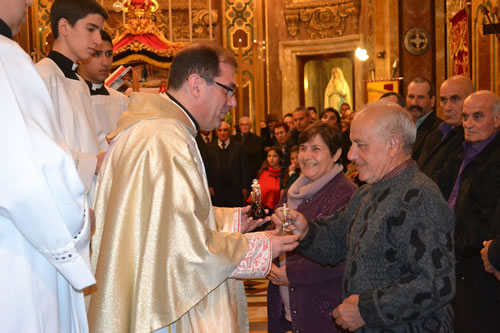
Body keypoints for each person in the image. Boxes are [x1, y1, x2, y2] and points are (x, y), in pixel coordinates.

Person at [87, 44, 300, 333]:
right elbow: (185, 251)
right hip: (158, 310)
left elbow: (160, 220)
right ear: (197, 85)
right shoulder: (166, 140)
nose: (233, 102)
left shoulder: (154, 130)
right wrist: (263, 246)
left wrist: (231, 220)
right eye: (228, 89)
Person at [273, 102, 455, 332]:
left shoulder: (419, 196)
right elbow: (337, 238)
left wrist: (366, 309)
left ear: (393, 145)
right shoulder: (368, 192)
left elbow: (435, 283)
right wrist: (306, 231)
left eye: (360, 145)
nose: (351, 155)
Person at [0, 1, 95, 331]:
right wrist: (80, 222)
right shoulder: (6, 57)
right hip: (21, 247)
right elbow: (29, 175)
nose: (28, 3)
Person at [267, 123, 357, 333]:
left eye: (316, 149)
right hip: (286, 302)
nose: (306, 156)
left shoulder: (347, 194)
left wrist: (291, 273)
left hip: (322, 309)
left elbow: (344, 257)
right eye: (303, 148)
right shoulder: (294, 189)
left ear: (336, 154)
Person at [437, 90, 500, 333]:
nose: (468, 124)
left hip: (477, 269)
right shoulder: (461, 151)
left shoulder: (494, 160)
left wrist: (449, 247)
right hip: (454, 264)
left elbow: (486, 223)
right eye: (465, 117)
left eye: (477, 116)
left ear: (497, 120)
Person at [35, 0, 108, 202]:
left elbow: (95, 140)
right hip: (59, 198)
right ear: (64, 27)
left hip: (88, 195)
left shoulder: (80, 83)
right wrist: (92, 164)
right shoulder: (41, 77)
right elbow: (39, 147)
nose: (98, 40)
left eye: (99, 31)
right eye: (91, 29)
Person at [417, 75, 474, 182]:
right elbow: (420, 169)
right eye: (443, 100)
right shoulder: (435, 132)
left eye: (455, 99)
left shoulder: (471, 138)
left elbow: (444, 182)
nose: (447, 107)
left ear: (470, 100)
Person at [79, 29, 128, 148]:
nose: (105, 62)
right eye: (97, 54)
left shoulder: (122, 102)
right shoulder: (70, 98)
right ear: (80, 56)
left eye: (109, 54)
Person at [205, 121, 249, 207]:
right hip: (217, 191)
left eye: (225, 130)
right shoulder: (209, 148)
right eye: (220, 130)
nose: (222, 133)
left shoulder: (239, 147)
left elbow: (244, 168)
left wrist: (245, 187)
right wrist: (209, 185)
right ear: (216, 131)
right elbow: (207, 169)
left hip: (235, 190)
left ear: (229, 131)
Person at [405, 78, 441, 161]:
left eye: (420, 97)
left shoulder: (439, 130)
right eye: (411, 96)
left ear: (432, 101)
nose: (414, 102)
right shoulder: (400, 126)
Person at [232, 116, 265, 183]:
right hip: (236, 173)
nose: (245, 127)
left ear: (250, 126)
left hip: (251, 173)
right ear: (239, 126)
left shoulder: (257, 140)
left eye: (247, 124)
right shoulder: (233, 139)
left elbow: (258, 158)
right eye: (242, 124)